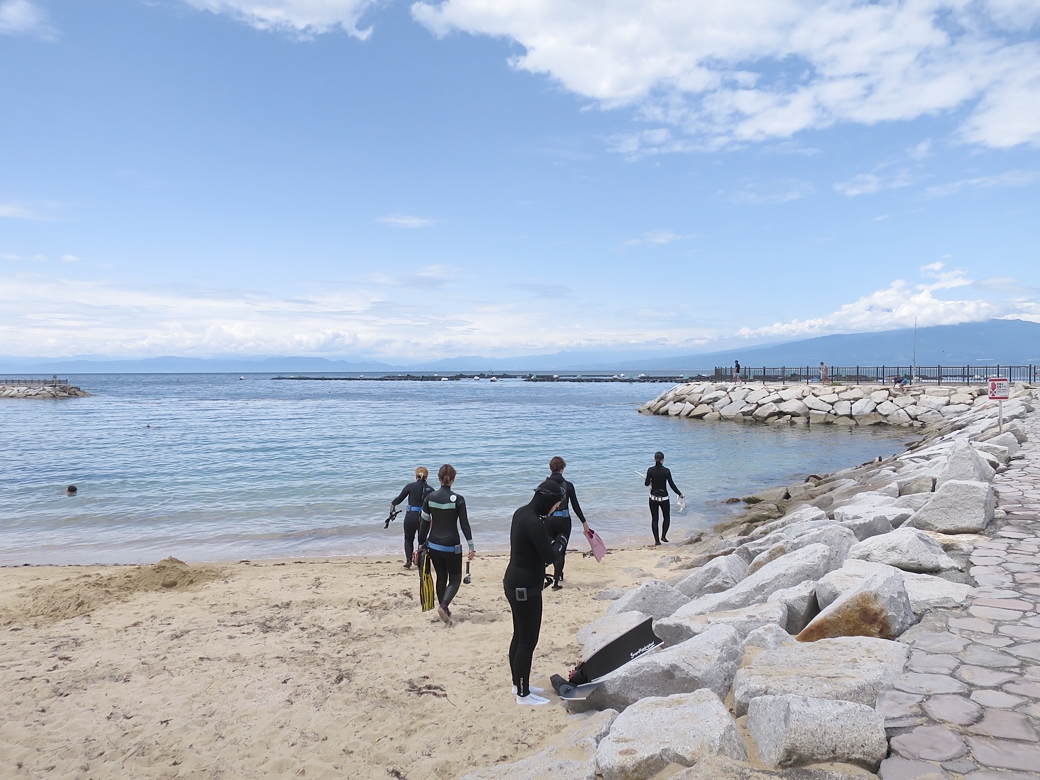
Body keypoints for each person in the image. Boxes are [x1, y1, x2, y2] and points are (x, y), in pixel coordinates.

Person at [503, 478, 567, 705]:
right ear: (548, 501)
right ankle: (523, 695)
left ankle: (518, 684)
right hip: (525, 588)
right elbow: (550, 557)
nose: (556, 508)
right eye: (556, 504)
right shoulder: (534, 522)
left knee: (519, 635)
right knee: (528, 641)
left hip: (513, 582)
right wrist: (561, 540)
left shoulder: (521, 514)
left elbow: (533, 547)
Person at [417, 464, 475, 626]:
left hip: (434, 544)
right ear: (453, 479)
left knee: (441, 576)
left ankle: (444, 609)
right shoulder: (459, 499)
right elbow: (464, 525)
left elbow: (424, 523)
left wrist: (420, 543)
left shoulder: (430, 498)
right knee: (455, 578)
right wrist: (471, 546)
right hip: (452, 545)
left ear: (439, 478)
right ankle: (444, 606)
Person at [545, 456, 589, 590]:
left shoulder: (545, 485)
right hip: (564, 521)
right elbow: (575, 506)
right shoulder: (568, 485)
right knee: (561, 549)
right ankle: (556, 581)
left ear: (550, 468)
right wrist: (584, 522)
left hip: (549, 521)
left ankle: (551, 573)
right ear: (563, 468)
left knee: (549, 548)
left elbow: (540, 506)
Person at [390, 467, 434, 569]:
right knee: (422, 541)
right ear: (427, 477)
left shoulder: (410, 487)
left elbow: (397, 500)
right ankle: (421, 561)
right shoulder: (431, 490)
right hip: (424, 517)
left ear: (416, 476)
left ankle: (409, 560)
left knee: (408, 539)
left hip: (411, 517)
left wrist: (392, 506)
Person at [644, 451, 683, 545]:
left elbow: (646, 484)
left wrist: (649, 479)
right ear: (663, 460)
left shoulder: (650, 470)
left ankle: (657, 541)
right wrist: (679, 493)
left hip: (653, 498)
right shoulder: (666, 471)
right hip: (664, 498)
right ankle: (663, 536)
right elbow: (671, 485)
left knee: (654, 519)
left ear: (654, 459)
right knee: (666, 517)